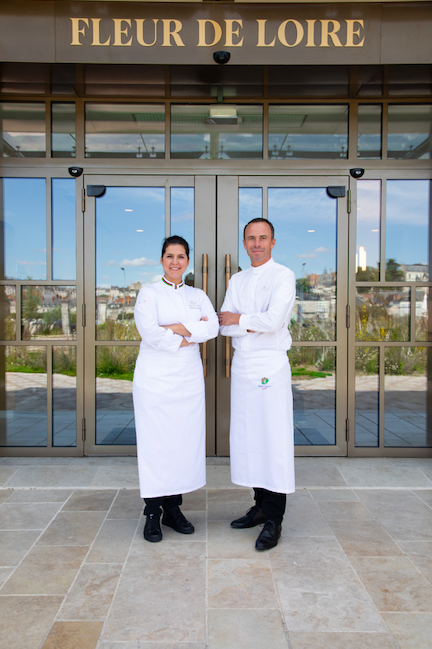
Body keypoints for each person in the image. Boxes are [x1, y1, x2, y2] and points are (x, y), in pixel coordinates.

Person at [133, 235, 219, 543]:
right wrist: (190, 332)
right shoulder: (149, 293)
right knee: (156, 444)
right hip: (155, 380)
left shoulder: (197, 294)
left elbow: (214, 327)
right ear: (161, 260)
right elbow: (150, 333)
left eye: (181, 256)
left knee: (181, 443)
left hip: (187, 379)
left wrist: (177, 327)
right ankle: (153, 513)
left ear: (187, 261)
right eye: (169, 256)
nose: (175, 261)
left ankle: (173, 509)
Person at [218, 218, 296, 551]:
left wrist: (242, 320)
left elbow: (274, 320)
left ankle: (274, 519)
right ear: (244, 242)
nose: (256, 244)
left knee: (273, 437)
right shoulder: (237, 279)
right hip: (244, 367)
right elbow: (223, 324)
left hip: (269, 366)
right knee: (250, 435)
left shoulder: (284, 276)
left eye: (263, 238)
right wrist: (248, 323)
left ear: (273, 242)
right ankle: (260, 505)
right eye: (250, 238)